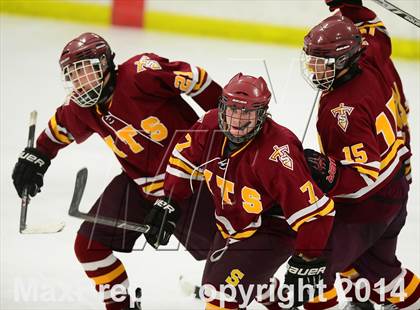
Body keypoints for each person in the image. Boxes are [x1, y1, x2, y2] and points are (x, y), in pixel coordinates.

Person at [11, 32, 223, 310]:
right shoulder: (81, 106)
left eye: (87, 72)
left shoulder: (140, 73)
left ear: (106, 64)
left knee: (230, 260)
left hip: (189, 183)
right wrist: (38, 155)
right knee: (89, 247)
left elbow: (197, 78)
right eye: (74, 76)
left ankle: (279, 301)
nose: (81, 82)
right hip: (138, 186)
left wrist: (226, 125)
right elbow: (59, 127)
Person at [143, 72, 336, 310]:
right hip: (233, 223)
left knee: (221, 298)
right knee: (220, 286)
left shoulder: (277, 152)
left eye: (247, 112)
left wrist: (306, 259)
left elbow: (317, 213)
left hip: (272, 229)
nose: (236, 119)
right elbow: (183, 160)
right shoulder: (209, 124)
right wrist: (170, 201)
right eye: (232, 109)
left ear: (263, 114)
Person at [296, 12, 419, 310]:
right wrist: (351, 7)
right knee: (377, 266)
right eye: (311, 59)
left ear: (343, 61)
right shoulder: (369, 59)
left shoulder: (343, 113)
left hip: (370, 203)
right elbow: (377, 32)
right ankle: (366, 301)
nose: (313, 68)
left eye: (321, 62)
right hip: (393, 188)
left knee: (315, 263)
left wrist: (327, 173)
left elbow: (363, 177)